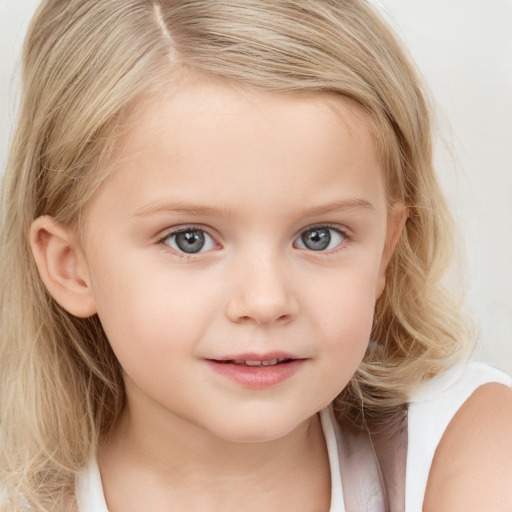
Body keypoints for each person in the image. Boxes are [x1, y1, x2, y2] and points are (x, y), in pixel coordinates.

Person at [1, 1, 511, 510]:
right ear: (71, 266)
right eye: (190, 240)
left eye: (320, 237)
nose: (265, 302)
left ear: (385, 251)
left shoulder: (469, 448)